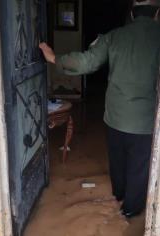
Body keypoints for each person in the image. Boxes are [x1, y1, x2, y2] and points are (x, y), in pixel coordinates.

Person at [39, 0, 160, 218]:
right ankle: (130, 214)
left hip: (115, 117)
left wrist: (55, 58)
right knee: (139, 168)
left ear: (131, 13)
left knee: (117, 159)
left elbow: (86, 62)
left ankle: (118, 195)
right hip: (146, 121)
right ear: (157, 13)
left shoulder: (113, 37)